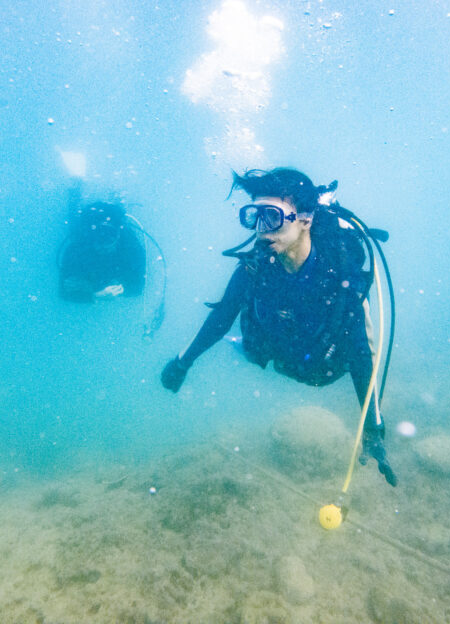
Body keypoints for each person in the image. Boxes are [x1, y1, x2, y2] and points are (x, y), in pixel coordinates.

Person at [160, 167, 397, 486]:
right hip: (278, 353)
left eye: (272, 216)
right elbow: (221, 317)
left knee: (351, 335)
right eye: (254, 216)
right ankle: (241, 345)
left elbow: (359, 354)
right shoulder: (254, 269)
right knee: (244, 341)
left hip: (326, 365)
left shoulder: (339, 276)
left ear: (305, 219)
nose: (262, 228)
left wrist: (373, 431)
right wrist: (182, 362)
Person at [58, 181, 146, 303]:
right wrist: (96, 295)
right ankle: (75, 187)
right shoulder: (78, 247)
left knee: (118, 213)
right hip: (85, 243)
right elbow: (63, 292)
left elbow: (138, 288)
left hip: (104, 272)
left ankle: (117, 195)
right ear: (92, 236)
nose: (103, 245)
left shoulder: (131, 247)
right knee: (75, 224)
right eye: (99, 238)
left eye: (109, 238)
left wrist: (120, 288)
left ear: (118, 236)